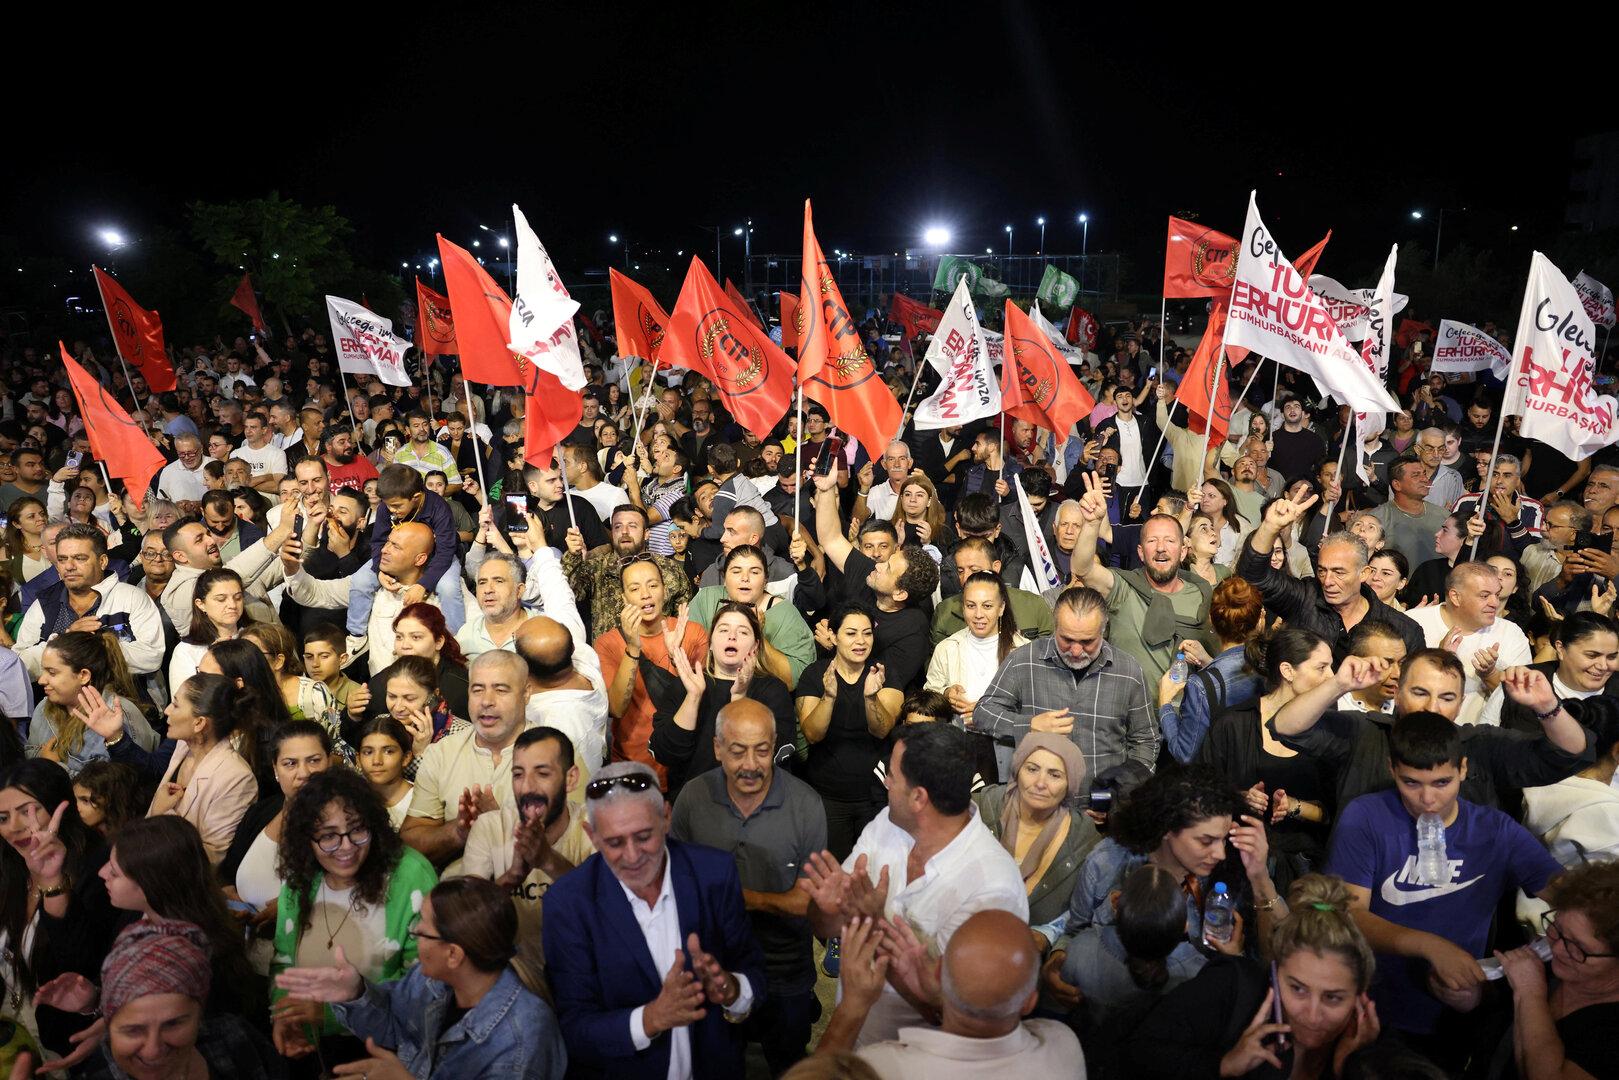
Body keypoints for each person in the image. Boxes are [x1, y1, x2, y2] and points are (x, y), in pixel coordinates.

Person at [1326, 710, 1564, 1049]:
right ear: (1392, 769)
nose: (1427, 799)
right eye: (1411, 783)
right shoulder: (1366, 817)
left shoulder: (1495, 830)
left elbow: (1568, 894)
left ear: (1463, 770)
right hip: (1369, 1008)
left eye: (1442, 783)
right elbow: (1347, 913)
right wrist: (1429, 945)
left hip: (1456, 1010)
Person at [801, 723, 1028, 1045]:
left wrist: (871, 923)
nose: (885, 781)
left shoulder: (993, 888)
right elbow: (827, 925)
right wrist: (824, 909)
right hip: (857, 1045)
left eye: (891, 775)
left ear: (919, 798)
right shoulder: (887, 824)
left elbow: (955, 1015)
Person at [542, 760, 768, 1080]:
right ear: (591, 834)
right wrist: (651, 1019)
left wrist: (733, 990)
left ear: (666, 817)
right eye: (615, 843)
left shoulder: (714, 874)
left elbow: (756, 974)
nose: (633, 857)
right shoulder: (568, 903)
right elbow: (575, 1029)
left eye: (644, 836)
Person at [275, 875, 566, 1079]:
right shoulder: (432, 981)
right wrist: (356, 993)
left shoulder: (523, 1037)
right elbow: (392, 1023)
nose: (413, 934)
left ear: (453, 954)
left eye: (423, 929)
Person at [671, 698, 829, 1074]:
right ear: (717, 748)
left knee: (788, 1063)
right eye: (738, 751)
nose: (751, 765)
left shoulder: (805, 805)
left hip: (785, 969)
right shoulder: (693, 798)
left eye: (762, 751)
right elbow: (674, 881)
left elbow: (807, 901)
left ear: (774, 746)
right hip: (711, 965)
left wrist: (741, 899)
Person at [1122, 874, 1384, 1080]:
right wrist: (1222, 1065)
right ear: (1275, 972)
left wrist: (1348, 1070)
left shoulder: (1375, 1058)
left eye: (1333, 998)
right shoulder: (1231, 988)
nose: (1312, 1015)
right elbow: (1141, 1051)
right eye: (1297, 989)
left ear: (1360, 995)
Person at [1272, 650, 1594, 813]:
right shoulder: (1364, 733)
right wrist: (1338, 683)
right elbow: (1286, 726)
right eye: (1420, 693)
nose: (1432, 708)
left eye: (1447, 698)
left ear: (1459, 703)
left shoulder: (1481, 745)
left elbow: (1571, 753)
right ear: (1397, 693)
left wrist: (1548, 707)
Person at [268, 767, 439, 1064]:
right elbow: (283, 960)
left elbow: (426, 988)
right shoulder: (300, 879)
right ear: (306, 839)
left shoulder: (410, 876)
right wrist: (285, 1015)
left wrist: (332, 1015)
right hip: (313, 1053)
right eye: (328, 837)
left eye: (358, 830)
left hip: (388, 1056)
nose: (346, 847)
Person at [814, 910, 1082, 1077]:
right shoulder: (1064, 1046)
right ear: (1029, 1002)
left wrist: (853, 1005)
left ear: (939, 970)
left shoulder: (881, 1066)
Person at [1197, 628, 1338, 892]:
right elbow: (1200, 794)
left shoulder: (1331, 730)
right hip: (1237, 867)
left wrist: (1295, 806)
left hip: (1306, 874)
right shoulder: (1233, 725)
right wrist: (1240, 798)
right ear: (1287, 671)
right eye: (1321, 668)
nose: (1331, 677)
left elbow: (1335, 811)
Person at [973, 586, 1158, 782]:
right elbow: (984, 713)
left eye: (1087, 641)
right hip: (1036, 805)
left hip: (1107, 806)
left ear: (1103, 631)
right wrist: (1028, 726)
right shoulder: (1023, 660)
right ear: (1055, 626)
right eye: (1067, 639)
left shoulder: (1128, 671)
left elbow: (1146, 740)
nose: (1076, 651)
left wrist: (1124, 791)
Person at [56, 918, 282, 1079]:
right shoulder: (98, 1074)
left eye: (173, 1024)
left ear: (199, 1014)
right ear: (108, 1026)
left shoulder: (235, 1038)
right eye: (133, 1030)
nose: (153, 1049)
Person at [462, 726, 594, 992]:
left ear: (571, 779)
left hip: (587, 979)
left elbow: (607, 913)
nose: (527, 787)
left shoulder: (594, 825)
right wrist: (512, 877)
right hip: (514, 986)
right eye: (518, 774)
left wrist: (548, 861)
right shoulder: (491, 827)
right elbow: (468, 924)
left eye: (542, 774)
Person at [1069, 473, 1220, 698]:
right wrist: (1091, 524)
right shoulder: (1123, 588)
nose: (1161, 548)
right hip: (1124, 716)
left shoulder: (1202, 595)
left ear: (1183, 552)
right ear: (1140, 552)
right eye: (1152, 541)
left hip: (1181, 720)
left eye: (1169, 541)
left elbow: (1217, 659)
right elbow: (1083, 569)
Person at [1237, 498, 1424, 663]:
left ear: (1364, 573)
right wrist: (1269, 527)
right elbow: (1253, 577)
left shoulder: (1403, 629)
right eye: (1322, 571)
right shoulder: (1304, 598)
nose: (1327, 581)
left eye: (1339, 572)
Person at [401, 649, 533, 875]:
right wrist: (458, 831)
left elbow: (573, 847)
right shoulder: (442, 753)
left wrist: (501, 827)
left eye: (500, 690)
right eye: (477, 689)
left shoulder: (554, 752)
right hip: (457, 901)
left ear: (526, 693)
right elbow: (409, 844)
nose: (487, 701)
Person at [647, 602, 796, 798]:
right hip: (692, 806)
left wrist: (739, 699)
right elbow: (665, 753)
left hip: (753, 807)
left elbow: (767, 759)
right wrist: (693, 697)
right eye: (723, 630)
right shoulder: (686, 685)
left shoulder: (772, 690)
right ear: (710, 643)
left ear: (756, 645)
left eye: (743, 632)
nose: (732, 636)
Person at [812, 469, 938, 693]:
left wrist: (836, 644)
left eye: (888, 568)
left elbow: (874, 686)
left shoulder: (912, 632)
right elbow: (830, 539)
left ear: (900, 593)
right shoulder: (872, 576)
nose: (878, 563)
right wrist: (826, 489)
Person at [1491, 860, 1619, 1080]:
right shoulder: (1552, 959)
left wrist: (1530, 993)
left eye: (1578, 946)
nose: (1558, 948)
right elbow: (1493, 1008)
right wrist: (1468, 996)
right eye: (1557, 928)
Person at [796, 602, 905, 860]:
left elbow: (882, 730)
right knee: (834, 876)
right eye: (851, 633)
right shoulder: (814, 675)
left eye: (867, 633)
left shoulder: (882, 674)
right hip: (827, 797)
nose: (861, 641)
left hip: (876, 796)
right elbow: (812, 734)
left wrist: (870, 698)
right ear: (833, 636)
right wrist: (829, 696)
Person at [596, 557, 709, 789]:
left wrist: (676, 656)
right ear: (623, 597)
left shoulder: (692, 632)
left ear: (664, 591)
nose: (645, 594)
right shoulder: (607, 643)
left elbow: (704, 701)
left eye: (653, 585)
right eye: (634, 588)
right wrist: (633, 647)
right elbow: (616, 708)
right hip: (633, 768)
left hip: (685, 763)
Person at [972, 731, 1101, 931]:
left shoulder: (1083, 835)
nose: (1040, 783)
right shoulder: (980, 808)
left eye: (1054, 775)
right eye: (1032, 769)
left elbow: (1084, 912)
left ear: (1070, 783)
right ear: (1018, 770)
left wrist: (1050, 937)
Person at [12, 522, 165, 680]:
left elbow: (152, 656)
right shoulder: (44, 603)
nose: (69, 566)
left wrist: (91, 645)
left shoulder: (132, 598)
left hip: (123, 698)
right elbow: (19, 664)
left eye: (79, 558)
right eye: (62, 559)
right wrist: (66, 639)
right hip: (61, 700)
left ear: (102, 561)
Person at [219, 720, 335, 921]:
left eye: (314, 760)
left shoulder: (345, 825)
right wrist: (228, 895)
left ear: (330, 762)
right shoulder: (261, 811)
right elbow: (228, 871)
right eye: (290, 763)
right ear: (275, 769)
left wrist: (291, 907)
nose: (303, 774)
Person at [926, 572, 1031, 782]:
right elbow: (927, 701)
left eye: (987, 606)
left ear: (1001, 608)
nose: (978, 614)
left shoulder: (1024, 651)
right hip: (959, 750)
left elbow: (1033, 711)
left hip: (1008, 752)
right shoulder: (947, 648)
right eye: (971, 605)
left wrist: (987, 714)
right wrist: (946, 695)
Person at [344, 464, 466, 643]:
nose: (391, 510)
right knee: (360, 580)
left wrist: (424, 584)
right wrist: (380, 571)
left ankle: (456, 641)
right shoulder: (388, 506)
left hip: (437, 558)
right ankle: (356, 636)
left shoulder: (439, 508)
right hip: (397, 558)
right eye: (388, 505)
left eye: (396, 506)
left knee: (449, 588)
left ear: (416, 497)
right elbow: (378, 542)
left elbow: (446, 551)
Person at [1406, 562, 1534, 723]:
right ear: (1456, 597)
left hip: (1480, 741)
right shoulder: (1413, 623)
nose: (1495, 602)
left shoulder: (1511, 634)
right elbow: (1395, 685)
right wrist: (1439, 660)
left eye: (1497, 594)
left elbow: (1521, 705)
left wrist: (1490, 675)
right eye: (1484, 595)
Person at [1159, 576, 1267, 763]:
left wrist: (1164, 704)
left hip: (1222, 785)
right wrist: (1208, 662)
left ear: (1211, 620)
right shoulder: (1271, 665)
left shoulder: (1199, 686)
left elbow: (1185, 754)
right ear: (1259, 621)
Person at [27, 630, 159, 775]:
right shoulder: (43, 708)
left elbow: (118, 786)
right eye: (43, 671)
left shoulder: (119, 716)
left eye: (52, 673)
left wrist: (52, 768)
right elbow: (29, 752)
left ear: (83, 676)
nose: (41, 680)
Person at [686, 543, 816, 688]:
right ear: (724, 577)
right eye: (736, 571)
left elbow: (795, 680)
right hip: (709, 689)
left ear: (766, 580)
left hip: (762, 696)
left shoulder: (785, 612)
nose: (745, 578)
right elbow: (688, 658)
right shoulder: (706, 598)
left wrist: (757, 634)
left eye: (754, 572)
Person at [563, 503, 693, 640]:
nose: (624, 532)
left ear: (646, 533)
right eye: (617, 527)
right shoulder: (596, 567)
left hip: (658, 655)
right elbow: (568, 594)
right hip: (609, 655)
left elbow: (684, 618)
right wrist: (573, 556)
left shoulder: (669, 568)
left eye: (632, 526)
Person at [1482, 610, 1618, 730]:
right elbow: (1482, 742)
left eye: (1612, 657)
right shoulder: (1521, 681)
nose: (1603, 666)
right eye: (1592, 655)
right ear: (1560, 649)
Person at [514, 616, 610, 780]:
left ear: (525, 667)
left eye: (514, 639)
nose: (513, 633)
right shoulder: (584, 656)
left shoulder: (563, 727)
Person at [168, 566, 248, 692]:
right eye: (221, 599)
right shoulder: (187, 651)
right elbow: (184, 704)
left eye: (238, 598)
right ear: (201, 604)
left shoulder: (256, 637)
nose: (232, 605)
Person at [1369, 457, 1452, 572]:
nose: (1425, 479)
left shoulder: (1445, 517)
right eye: (1416, 475)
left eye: (1424, 474)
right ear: (1397, 485)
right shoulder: (1377, 520)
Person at [356, 717, 416, 828]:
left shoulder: (421, 801)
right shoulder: (353, 802)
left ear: (406, 758)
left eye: (388, 751)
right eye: (368, 752)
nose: (377, 761)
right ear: (358, 759)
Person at [70, 760, 141, 839]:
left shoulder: (131, 840)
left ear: (112, 802)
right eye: (73, 798)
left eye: (86, 801)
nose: (75, 807)